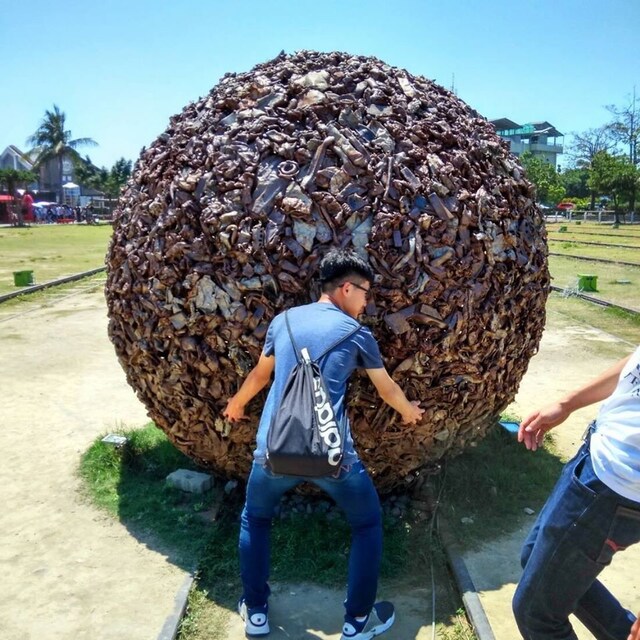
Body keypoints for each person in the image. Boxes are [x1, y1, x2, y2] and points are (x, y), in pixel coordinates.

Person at [223, 248, 424, 639]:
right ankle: (357, 622)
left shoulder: (283, 321)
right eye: (365, 293)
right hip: (333, 457)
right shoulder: (356, 333)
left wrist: (236, 404)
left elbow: (260, 376)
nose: (366, 303)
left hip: (273, 452)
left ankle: (257, 615)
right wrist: (409, 412)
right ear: (346, 288)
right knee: (367, 523)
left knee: (256, 519)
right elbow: (386, 389)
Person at [513, 347, 640, 640]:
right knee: (533, 558)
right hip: (595, 460)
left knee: (536, 615)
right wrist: (567, 403)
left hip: (616, 489)